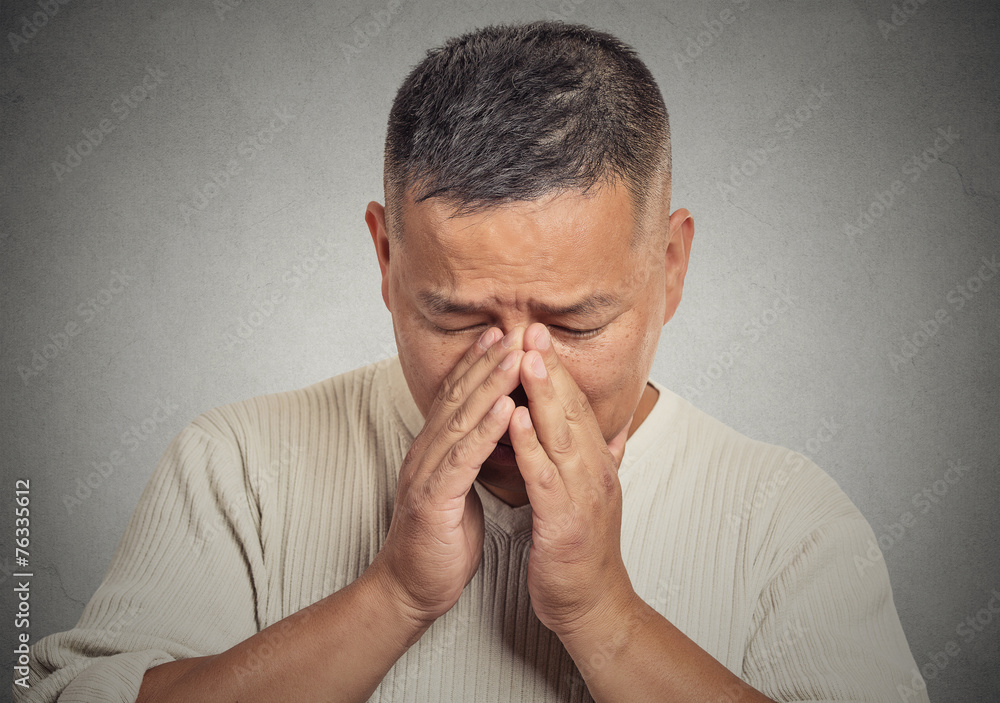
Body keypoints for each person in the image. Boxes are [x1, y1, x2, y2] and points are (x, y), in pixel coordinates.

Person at [20, 20, 929, 703]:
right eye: (456, 318)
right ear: (385, 261)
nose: (520, 379)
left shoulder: (787, 522)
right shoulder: (238, 467)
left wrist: (605, 615)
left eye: (575, 324)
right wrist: (393, 595)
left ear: (670, 269)